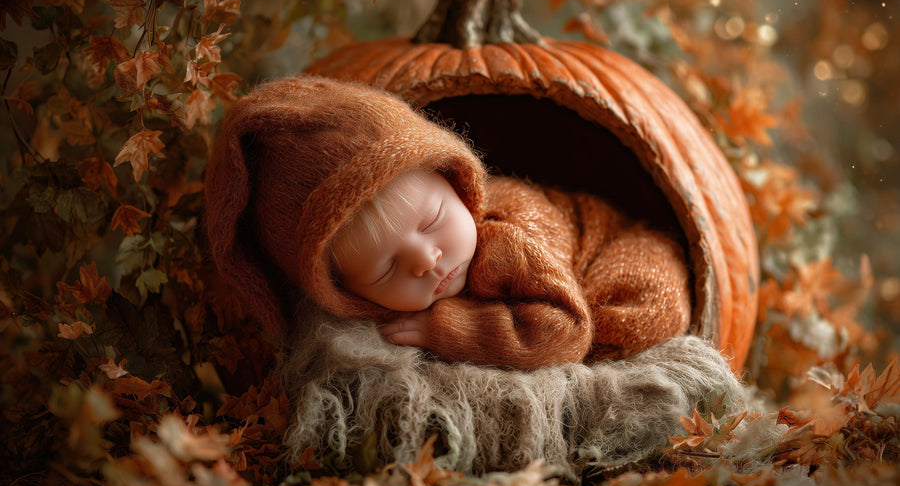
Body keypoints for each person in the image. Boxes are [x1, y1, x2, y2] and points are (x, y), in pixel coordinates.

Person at [204, 75, 691, 370]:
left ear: (456, 184)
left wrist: (452, 330)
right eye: (385, 270)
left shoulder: (507, 240)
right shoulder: (404, 266)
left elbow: (564, 330)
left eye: (433, 221)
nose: (425, 259)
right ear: (347, 294)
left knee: (640, 319)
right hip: (564, 275)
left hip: (622, 245)